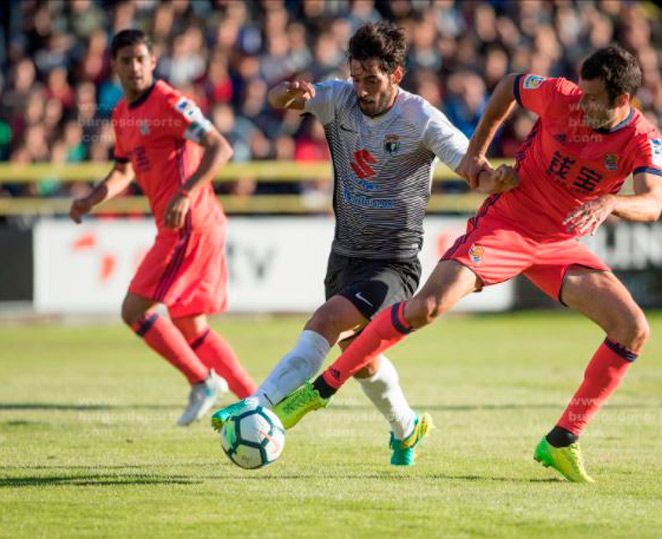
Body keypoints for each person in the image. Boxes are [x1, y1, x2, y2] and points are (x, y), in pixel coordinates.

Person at [271, 45, 662, 483]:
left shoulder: (643, 139)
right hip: (507, 225)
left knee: (633, 329)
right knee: (427, 307)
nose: (582, 103)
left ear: (622, 101)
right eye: (582, 92)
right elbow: (507, 86)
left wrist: (611, 200)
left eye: (593, 99)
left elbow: (652, 202)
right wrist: (477, 153)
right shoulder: (559, 95)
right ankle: (321, 390)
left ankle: (562, 439)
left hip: (559, 244)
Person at [211, 22, 517, 465]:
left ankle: (259, 402)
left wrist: (497, 179)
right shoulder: (338, 99)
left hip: (393, 262)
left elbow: (473, 167)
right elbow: (281, 99)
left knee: (328, 318)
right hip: (346, 253)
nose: (362, 90)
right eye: (356, 78)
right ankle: (408, 428)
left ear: (397, 73)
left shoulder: (421, 118)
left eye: (371, 79)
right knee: (360, 358)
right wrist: (288, 92)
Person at [69, 29, 256, 426]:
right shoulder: (121, 113)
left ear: (153, 62)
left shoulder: (169, 102)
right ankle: (260, 402)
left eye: (141, 59)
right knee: (189, 323)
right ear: (115, 66)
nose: (134, 67)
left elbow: (220, 147)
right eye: (126, 60)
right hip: (183, 225)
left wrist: (186, 192)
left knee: (134, 309)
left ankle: (203, 380)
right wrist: (91, 199)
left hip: (190, 223)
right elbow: (123, 170)